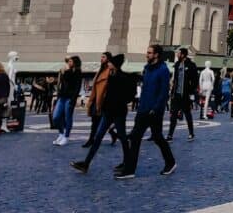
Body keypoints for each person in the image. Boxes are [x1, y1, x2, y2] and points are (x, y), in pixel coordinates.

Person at [117, 44, 176, 179]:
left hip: (154, 111)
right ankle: (129, 170)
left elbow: (163, 92)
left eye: (149, 53)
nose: (147, 54)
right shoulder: (147, 69)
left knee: (158, 137)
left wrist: (155, 109)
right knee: (135, 138)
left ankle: (170, 162)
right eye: (147, 52)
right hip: (143, 109)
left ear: (156, 55)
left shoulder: (163, 70)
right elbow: (145, 90)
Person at [72, 54, 133, 174]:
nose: (108, 64)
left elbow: (128, 95)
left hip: (119, 113)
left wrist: (120, 102)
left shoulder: (122, 77)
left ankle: (128, 163)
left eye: (110, 63)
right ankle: (86, 163)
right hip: (108, 112)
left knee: (123, 138)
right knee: (98, 137)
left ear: (114, 65)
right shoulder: (111, 75)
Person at [167, 48, 197, 141]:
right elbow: (175, 80)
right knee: (174, 115)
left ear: (183, 55)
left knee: (188, 114)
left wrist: (191, 92)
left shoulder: (191, 65)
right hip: (177, 94)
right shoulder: (176, 65)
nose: (177, 55)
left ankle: (191, 133)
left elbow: (195, 80)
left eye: (178, 54)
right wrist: (172, 92)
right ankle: (170, 135)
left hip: (185, 94)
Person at [84, 52, 113, 148]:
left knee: (102, 122)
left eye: (103, 57)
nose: (101, 59)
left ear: (108, 59)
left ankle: (113, 134)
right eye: (101, 57)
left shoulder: (110, 70)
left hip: (104, 100)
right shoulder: (100, 70)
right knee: (95, 122)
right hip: (96, 99)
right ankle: (91, 140)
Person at [51, 55, 82, 146]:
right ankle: (61, 133)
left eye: (71, 61)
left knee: (68, 118)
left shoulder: (77, 72)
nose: (69, 62)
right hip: (62, 97)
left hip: (70, 98)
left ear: (75, 63)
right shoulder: (65, 71)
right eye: (68, 61)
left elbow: (77, 87)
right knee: (55, 117)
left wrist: (74, 98)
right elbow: (62, 82)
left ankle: (66, 137)